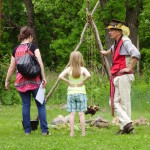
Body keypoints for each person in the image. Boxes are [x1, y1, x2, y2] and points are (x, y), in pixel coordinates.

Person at [5, 26, 49, 135]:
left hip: (21, 82)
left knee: (26, 105)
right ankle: (44, 131)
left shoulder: (15, 50)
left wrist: (7, 80)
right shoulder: (34, 47)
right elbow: (40, 63)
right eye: (32, 36)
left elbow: (11, 67)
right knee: (41, 105)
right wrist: (43, 78)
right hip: (35, 81)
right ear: (30, 36)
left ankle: (27, 131)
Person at [101, 19, 140, 134]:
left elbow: (136, 54)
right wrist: (105, 52)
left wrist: (130, 68)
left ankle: (125, 127)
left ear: (119, 31)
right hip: (118, 76)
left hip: (124, 76)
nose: (110, 32)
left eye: (112, 30)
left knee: (125, 102)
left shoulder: (125, 42)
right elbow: (111, 51)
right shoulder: (117, 43)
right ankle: (127, 124)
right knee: (113, 102)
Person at [59, 51, 91, 136]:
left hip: (71, 93)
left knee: (72, 114)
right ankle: (83, 133)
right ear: (81, 59)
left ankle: (72, 133)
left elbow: (60, 76)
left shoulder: (69, 69)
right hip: (81, 93)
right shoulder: (83, 69)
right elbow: (89, 75)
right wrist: (83, 82)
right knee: (81, 113)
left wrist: (68, 81)